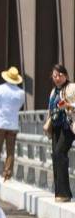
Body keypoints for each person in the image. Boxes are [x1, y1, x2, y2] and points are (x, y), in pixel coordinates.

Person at [0, 67, 26, 180]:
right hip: (13, 125)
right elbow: (20, 106)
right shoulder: (21, 93)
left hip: (0, 123)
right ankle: (7, 175)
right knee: (10, 151)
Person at [45, 64, 73, 202]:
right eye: (54, 76)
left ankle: (65, 193)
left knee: (59, 153)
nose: (57, 78)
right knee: (55, 156)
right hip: (56, 126)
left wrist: (69, 105)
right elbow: (51, 109)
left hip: (68, 126)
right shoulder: (53, 91)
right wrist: (48, 123)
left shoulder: (71, 87)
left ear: (66, 75)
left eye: (60, 75)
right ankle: (59, 193)